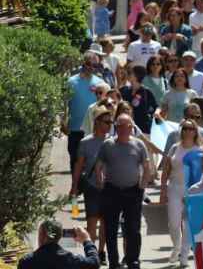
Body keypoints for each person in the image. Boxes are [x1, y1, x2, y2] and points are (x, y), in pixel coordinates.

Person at [95, 114, 153, 269]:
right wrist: (100, 181)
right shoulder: (108, 145)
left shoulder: (139, 145)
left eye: (125, 126)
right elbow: (99, 166)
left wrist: (142, 185)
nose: (122, 129)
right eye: (119, 126)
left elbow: (147, 166)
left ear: (131, 128)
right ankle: (114, 261)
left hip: (133, 191)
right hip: (112, 190)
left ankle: (133, 260)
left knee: (133, 228)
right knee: (111, 228)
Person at [69, 108, 112, 266]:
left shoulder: (112, 141)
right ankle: (91, 253)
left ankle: (101, 252)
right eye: (106, 122)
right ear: (97, 122)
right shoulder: (85, 142)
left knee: (106, 222)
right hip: (91, 187)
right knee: (92, 222)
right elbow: (79, 166)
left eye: (110, 122)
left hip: (109, 187)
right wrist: (74, 186)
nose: (109, 125)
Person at [160, 119, 202, 267]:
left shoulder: (199, 151)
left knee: (188, 224)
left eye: (191, 129)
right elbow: (166, 170)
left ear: (195, 131)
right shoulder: (174, 148)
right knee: (174, 223)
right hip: (174, 188)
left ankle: (184, 256)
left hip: (192, 190)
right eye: (185, 128)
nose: (188, 131)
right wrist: (162, 189)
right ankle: (176, 246)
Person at [66, 53, 108, 168]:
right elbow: (64, 104)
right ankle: (76, 185)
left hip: (93, 130)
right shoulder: (70, 82)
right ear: (83, 63)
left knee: (92, 165)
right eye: (89, 64)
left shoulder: (101, 83)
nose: (91, 68)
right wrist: (62, 121)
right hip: (75, 129)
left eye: (95, 65)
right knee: (75, 162)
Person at [17, 220, 98, 269]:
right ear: (59, 237)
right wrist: (87, 240)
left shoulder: (26, 262)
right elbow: (94, 263)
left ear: (42, 236)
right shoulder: (70, 259)